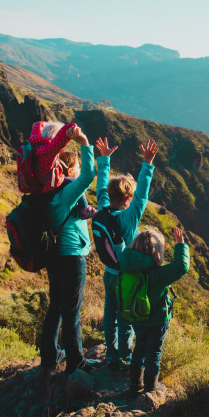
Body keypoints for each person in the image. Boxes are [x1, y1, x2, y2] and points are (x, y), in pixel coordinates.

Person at [36, 121, 100, 375]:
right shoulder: (64, 190)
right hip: (72, 255)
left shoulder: (43, 190)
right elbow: (87, 177)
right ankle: (76, 360)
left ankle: (50, 356)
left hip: (54, 255)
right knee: (71, 310)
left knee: (56, 306)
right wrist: (85, 144)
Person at [94, 137, 159, 370]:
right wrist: (148, 164)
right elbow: (142, 194)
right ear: (128, 199)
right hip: (127, 277)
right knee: (126, 319)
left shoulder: (102, 209)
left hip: (109, 273)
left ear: (110, 195)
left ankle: (111, 357)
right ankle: (125, 357)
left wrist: (104, 161)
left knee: (109, 317)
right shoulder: (130, 217)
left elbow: (102, 186)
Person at [120, 226, 189, 394]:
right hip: (156, 322)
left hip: (136, 318)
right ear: (156, 253)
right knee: (154, 354)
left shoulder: (127, 268)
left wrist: (158, 250)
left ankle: (135, 384)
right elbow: (181, 266)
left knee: (139, 350)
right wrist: (180, 245)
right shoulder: (158, 275)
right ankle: (151, 388)